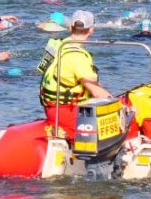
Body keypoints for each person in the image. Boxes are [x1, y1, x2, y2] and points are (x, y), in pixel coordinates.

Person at [37, 10, 113, 138]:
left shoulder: (55, 45)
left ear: (71, 27)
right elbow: (95, 91)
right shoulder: (77, 56)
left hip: (50, 108)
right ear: (91, 30)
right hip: (69, 113)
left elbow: (45, 73)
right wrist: (121, 105)